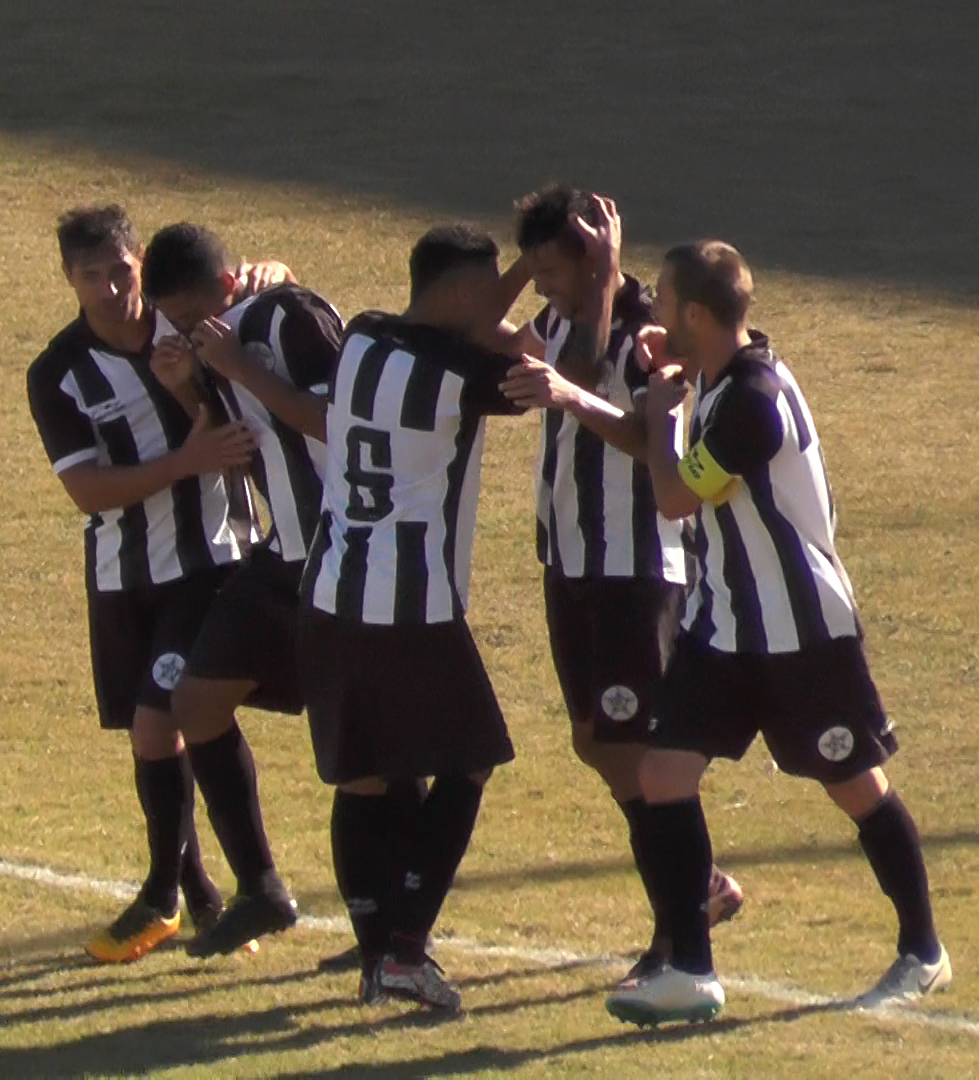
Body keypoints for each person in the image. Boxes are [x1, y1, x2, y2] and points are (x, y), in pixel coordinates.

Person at [601, 240, 950, 1025]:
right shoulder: (729, 376)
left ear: (694, 313)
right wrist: (679, 380)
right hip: (724, 626)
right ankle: (690, 970)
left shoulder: (754, 402)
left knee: (856, 787)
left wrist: (661, 416)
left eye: (661, 302)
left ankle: (924, 952)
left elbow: (676, 498)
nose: (651, 315)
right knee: (662, 777)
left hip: (801, 633)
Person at [23, 203, 291, 964]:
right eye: (91, 277)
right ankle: (204, 897)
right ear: (68, 280)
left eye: (120, 270)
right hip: (123, 575)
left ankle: (169, 894)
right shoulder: (57, 375)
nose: (111, 289)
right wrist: (184, 462)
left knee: (163, 718)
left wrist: (273, 275)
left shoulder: (188, 326)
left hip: (213, 561)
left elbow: (254, 295)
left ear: (140, 261)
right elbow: (88, 491)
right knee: (155, 731)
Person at [496, 185, 745, 981]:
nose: (544, 289)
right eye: (535, 274)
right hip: (570, 561)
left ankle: (678, 929)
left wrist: (602, 283)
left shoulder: (648, 331)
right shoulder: (568, 319)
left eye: (554, 273)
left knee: (641, 754)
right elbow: (510, 346)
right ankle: (696, 887)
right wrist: (555, 285)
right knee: (597, 742)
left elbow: (648, 440)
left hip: (634, 570)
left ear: (595, 258)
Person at [300, 224, 528, 1011]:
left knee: (367, 776)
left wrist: (514, 274)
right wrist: (565, 276)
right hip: (410, 601)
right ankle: (403, 949)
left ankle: (374, 959)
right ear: (464, 292)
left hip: (331, 590)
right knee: (469, 761)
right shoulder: (460, 376)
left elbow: (470, 329)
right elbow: (541, 372)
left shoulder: (363, 335)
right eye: (491, 284)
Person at [137, 222, 346, 958]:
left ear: (228, 286)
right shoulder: (212, 340)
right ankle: (261, 889)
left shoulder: (290, 316)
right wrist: (189, 384)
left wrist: (230, 361)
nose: (190, 332)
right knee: (195, 700)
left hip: (341, 555)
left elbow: (339, 421)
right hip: (278, 553)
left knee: (368, 750)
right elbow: (241, 441)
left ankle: (391, 929)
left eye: (193, 317)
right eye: (177, 321)